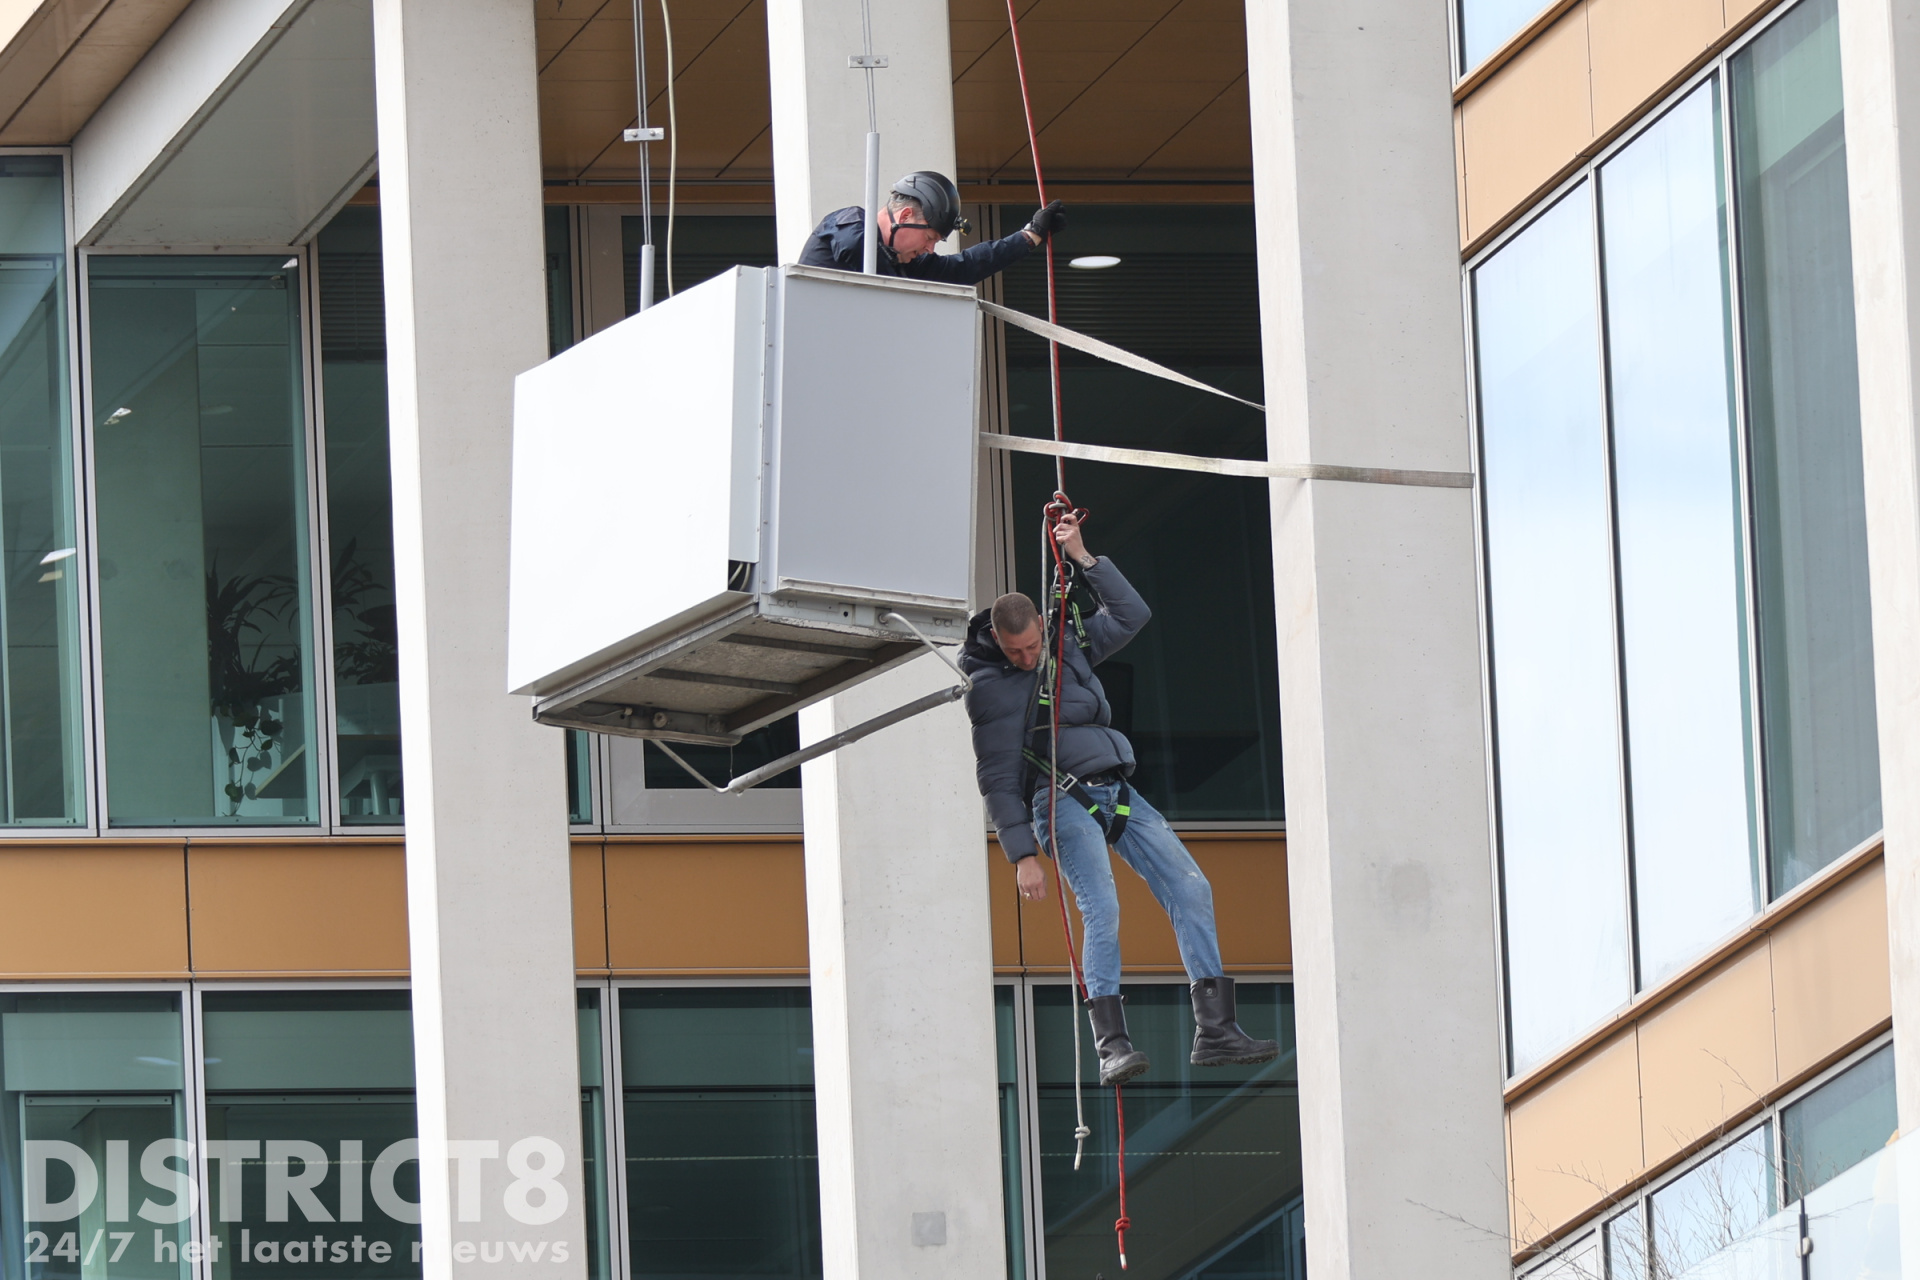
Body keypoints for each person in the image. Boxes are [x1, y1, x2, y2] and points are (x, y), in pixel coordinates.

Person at [959, 510, 1279, 1085]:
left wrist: (1083, 558)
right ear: (998, 642)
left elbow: (1132, 614)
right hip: (1060, 801)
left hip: (1118, 790)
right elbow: (997, 776)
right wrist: (1023, 855)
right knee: (1102, 909)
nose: (1028, 659)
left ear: (1040, 627)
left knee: (1191, 886)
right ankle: (1111, 1044)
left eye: (1033, 646)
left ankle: (1216, 1031)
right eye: (1017, 653)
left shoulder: (1067, 646)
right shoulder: (988, 690)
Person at [799, 170, 1065, 286]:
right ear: (904, 215)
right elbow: (856, 247)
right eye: (930, 237)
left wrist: (1029, 237)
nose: (929, 249)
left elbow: (964, 266)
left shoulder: (902, 262)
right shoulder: (850, 223)